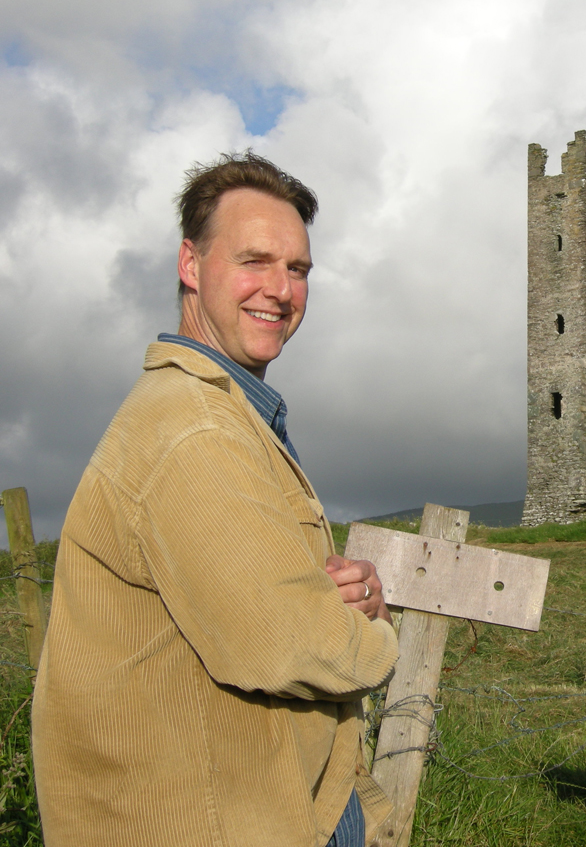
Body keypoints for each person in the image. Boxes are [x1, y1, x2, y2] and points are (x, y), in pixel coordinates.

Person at [32, 153, 399, 847]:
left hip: (264, 804)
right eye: (255, 261)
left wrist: (349, 598)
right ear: (191, 266)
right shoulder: (194, 429)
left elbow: (281, 607)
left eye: (299, 270)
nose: (281, 290)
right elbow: (287, 643)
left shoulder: (226, 416)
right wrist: (380, 637)